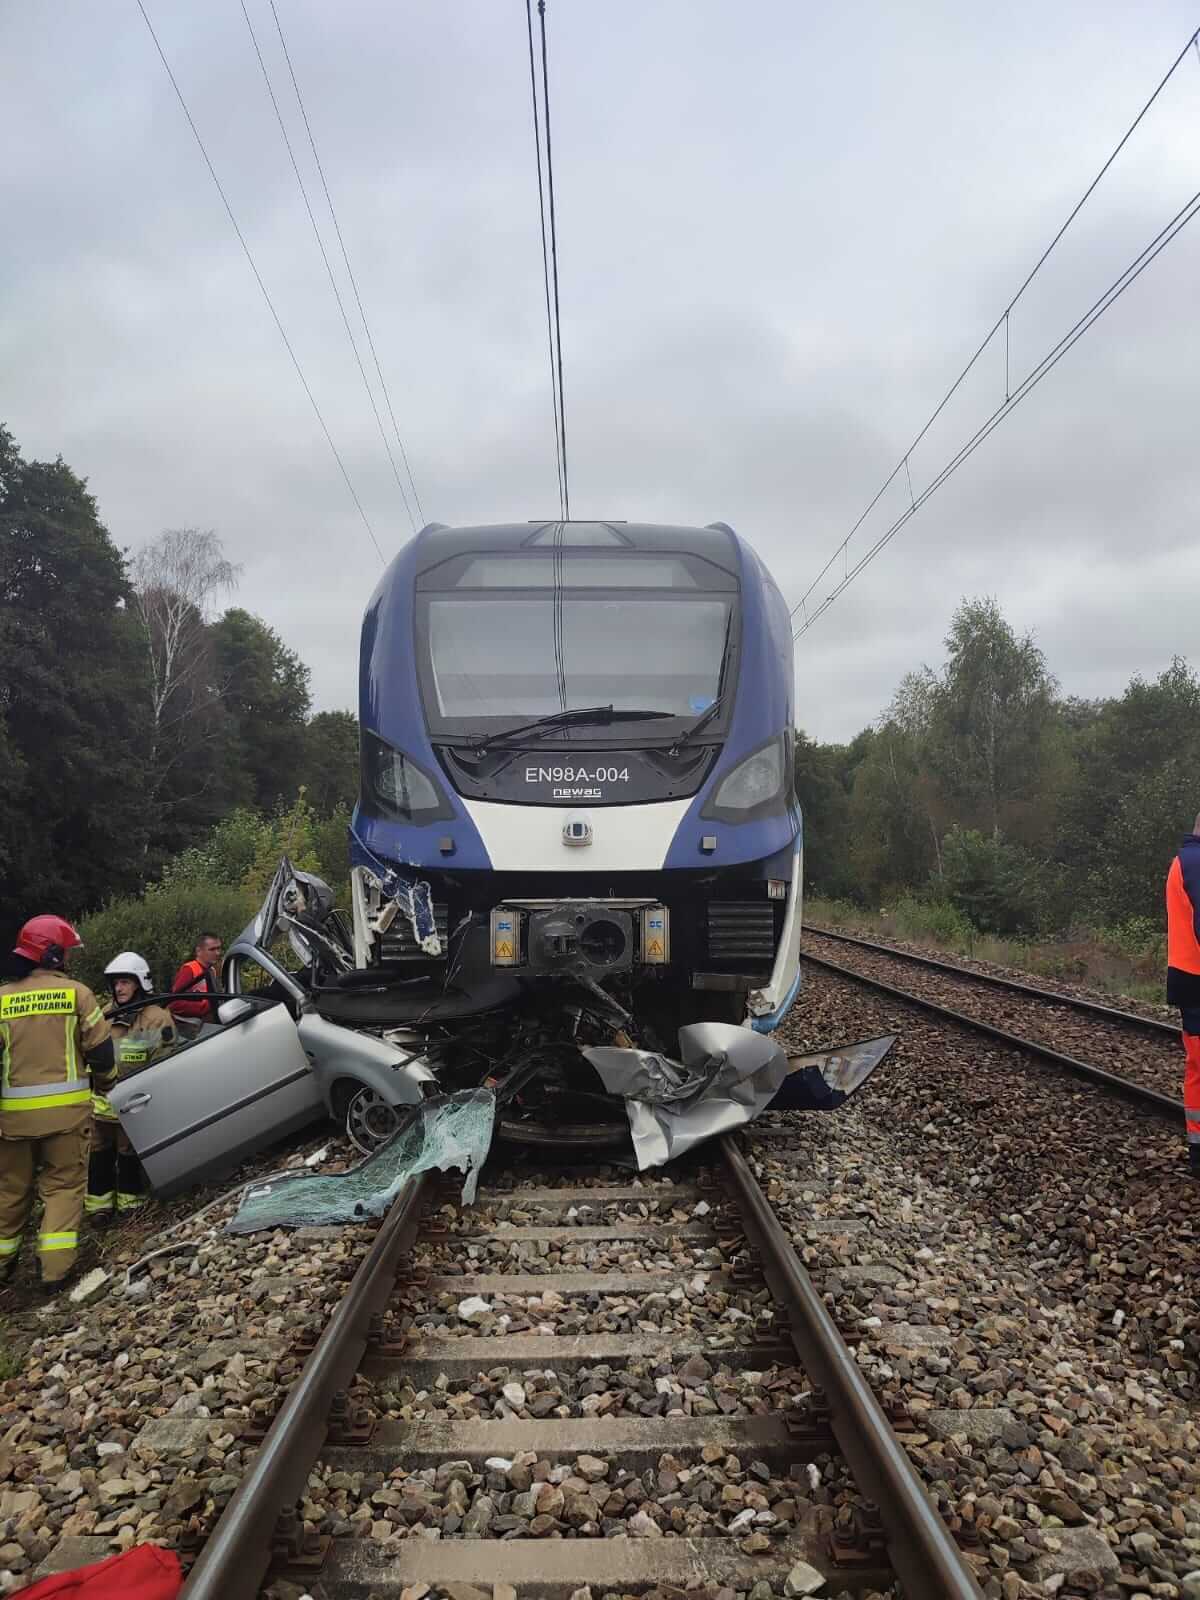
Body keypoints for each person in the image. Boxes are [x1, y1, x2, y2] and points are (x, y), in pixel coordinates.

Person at [0, 916, 114, 1288]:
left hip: (11, 1122)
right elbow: (101, 1053)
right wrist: (107, 1085)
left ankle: (3, 1264)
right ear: (51, 955)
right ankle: (53, 1273)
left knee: (10, 1191)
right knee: (63, 1189)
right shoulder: (77, 994)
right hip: (66, 1119)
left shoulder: (2, 998)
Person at [86, 953, 176, 1225]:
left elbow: (165, 1061)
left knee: (128, 1154)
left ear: (139, 982)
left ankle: (131, 1205)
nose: (119, 988)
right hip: (99, 1104)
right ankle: (99, 1208)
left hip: (134, 1104)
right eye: (116, 983)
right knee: (98, 1154)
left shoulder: (156, 1018)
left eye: (125, 982)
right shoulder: (103, 1015)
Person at [1166, 814, 1200, 1176]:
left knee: (1197, 1068)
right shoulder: (1195, 863)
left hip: (1189, 980)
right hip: (1196, 980)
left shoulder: (1184, 860)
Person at [169, 932, 223, 1030]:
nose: (217, 953)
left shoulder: (212, 970)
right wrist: (208, 1006)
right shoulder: (189, 969)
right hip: (188, 1029)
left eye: (218, 948)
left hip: (206, 1025)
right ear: (198, 951)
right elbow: (174, 1004)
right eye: (212, 949)